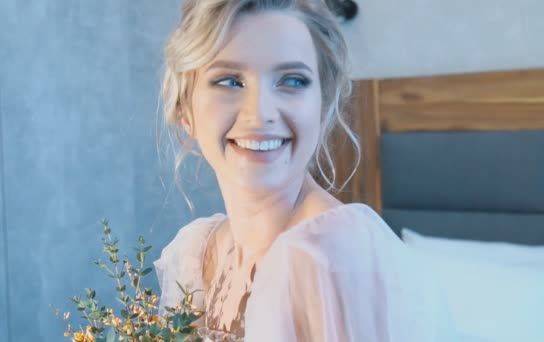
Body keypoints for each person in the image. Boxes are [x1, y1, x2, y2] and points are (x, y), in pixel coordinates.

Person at [154, 0, 457, 341]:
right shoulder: (196, 254)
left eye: (293, 81)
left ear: (324, 107)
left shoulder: (331, 256)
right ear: (185, 109)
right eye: (229, 81)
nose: (260, 114)